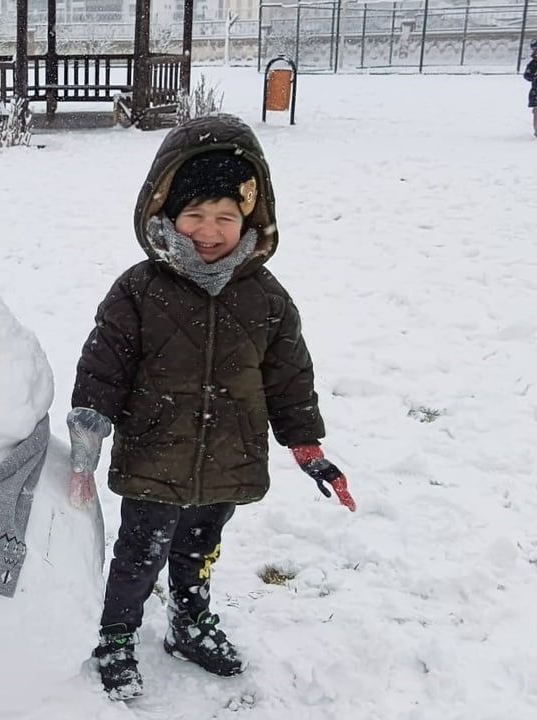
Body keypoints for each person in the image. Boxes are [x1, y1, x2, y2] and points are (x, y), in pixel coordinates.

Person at [67, 113, 357, 701]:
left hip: (230, 455)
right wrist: (89, 431)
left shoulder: (267, 298)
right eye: (195, 215)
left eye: (225, 216)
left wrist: (306, 445)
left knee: (198, 549)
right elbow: (105, 364)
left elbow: (289, 376)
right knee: (139, 554)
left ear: (249, 217)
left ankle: (189, 622)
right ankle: (118, 634)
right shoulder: (139, 289)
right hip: (155, 453)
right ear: (166, 215)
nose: (209, 229)